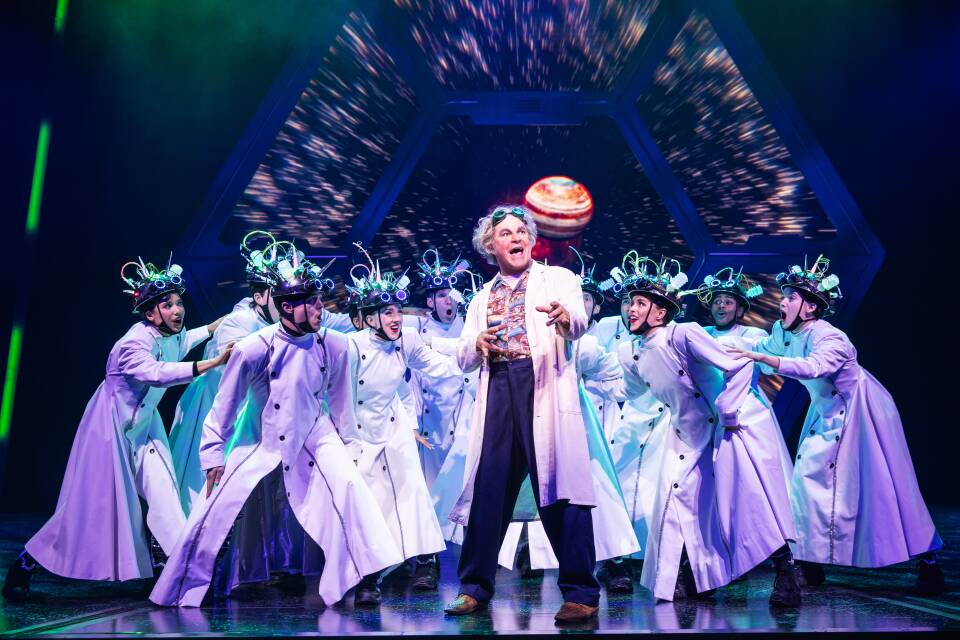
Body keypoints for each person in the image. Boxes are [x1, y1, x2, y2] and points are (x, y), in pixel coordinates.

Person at [149, 242, 402, 608]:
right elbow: (224, 406)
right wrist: (213, 455)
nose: (321, 308)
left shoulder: (335, 344)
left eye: (319, 301)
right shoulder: (254, 347)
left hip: (315, 433)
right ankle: (187, 584)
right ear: (287, 306)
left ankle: (365, 576)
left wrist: (351, 448)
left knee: (349, 486)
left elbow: (343, 405)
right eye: (312, 302)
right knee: (215, 506)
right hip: (259, 435)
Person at [3, 257, 227, 601]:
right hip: (110, 432)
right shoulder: (131, 345)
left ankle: (178, 575)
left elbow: (183, 342)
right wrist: (210, 363)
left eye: (179, 302)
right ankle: (27, 562)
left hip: (145, 428)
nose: (177, 309)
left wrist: (220, 325)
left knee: (165, 497)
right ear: (150, 314)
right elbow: (158, 372)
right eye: (167, 304)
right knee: (84, 512)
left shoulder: (169, 334)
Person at [727, 256, 945, 595]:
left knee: (883, 491)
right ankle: (808, 563)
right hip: (825, 410)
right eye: (784, 296)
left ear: (810, 307)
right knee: (804, 483)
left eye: (791, 297)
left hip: (861, 411)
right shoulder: (782, 332)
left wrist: (767, 360)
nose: (782, 302)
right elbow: (760, 351)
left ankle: (928, 561)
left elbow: (813, 367)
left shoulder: (833, 338)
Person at [444, 205, 600, 624]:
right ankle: (474, 587)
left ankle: (581, 592)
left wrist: (567, 319)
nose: (515, 238)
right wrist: (476, 343)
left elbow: (579, 321)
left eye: (521, 232)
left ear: (531, 240)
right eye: (505, 234)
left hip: (543, 386)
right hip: (498, 387)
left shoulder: (559, 279)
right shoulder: (481, 297)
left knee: (561, 489)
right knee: (488, 489)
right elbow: (462, 357)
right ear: (489, 246)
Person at [615, 253, 799, 607]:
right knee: (679, 503)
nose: (631, 310)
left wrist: (729, 413)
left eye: (640, 303)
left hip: (723, 429)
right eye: (629, 303)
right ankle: (691, 575)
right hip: (684, 434)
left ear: (661, 311)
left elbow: (739, 364)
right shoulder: (631, 352)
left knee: (746, 501)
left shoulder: (684, 334)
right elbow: (629, 391)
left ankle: (785, 571)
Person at [341, 244, 449, 606]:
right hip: (357, 434)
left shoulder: (406, 342)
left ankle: (426, 562)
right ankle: (368, 576)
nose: (396, 318)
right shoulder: (349, 347)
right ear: (369, 317)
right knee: (370, 505)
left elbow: (438, 364)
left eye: (398, 311)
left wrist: (477, 356)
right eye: (387, 312)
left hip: (394, 428)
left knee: (411, 495)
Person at [404, 250, 472, 589]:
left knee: (468, 490)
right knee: (426, 493)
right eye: (440, 295)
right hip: (430, 424)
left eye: (451, 293)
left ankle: (476, 565)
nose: (448, 300)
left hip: (465, 422)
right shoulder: (417, 330)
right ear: (430, 301)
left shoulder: (469, 326)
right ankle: (426, 562)